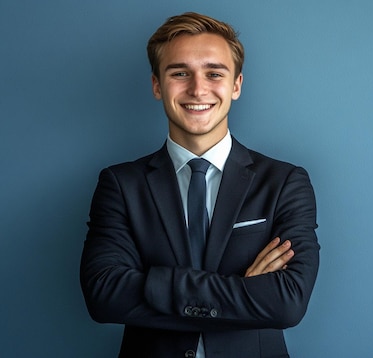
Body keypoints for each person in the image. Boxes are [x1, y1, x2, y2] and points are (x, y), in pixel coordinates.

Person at [80, 12, 319, 358]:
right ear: (157, 85)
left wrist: (154, 283)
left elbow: (288, 303)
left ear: (236, 85)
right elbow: (104, 296)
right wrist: (245, 292)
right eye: (179, 73)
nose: (197, 89)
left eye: (214, 73)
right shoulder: (120, 185)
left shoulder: (284, 182)